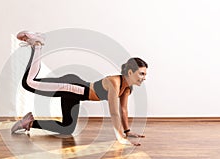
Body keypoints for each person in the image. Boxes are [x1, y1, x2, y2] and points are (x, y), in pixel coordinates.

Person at [11, 31, 148, 146]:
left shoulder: (127, 87)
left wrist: (127, 131)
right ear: (130, 72)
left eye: (145, 74)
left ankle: (29, 122)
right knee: (28, 83)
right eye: (141, 74)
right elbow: (114, 113)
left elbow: (123, 110)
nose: (144, 77)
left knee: (67, 128)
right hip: (71, 87)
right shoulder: (115, 82)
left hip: (75, 94)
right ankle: (37, 44)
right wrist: (120, 138)